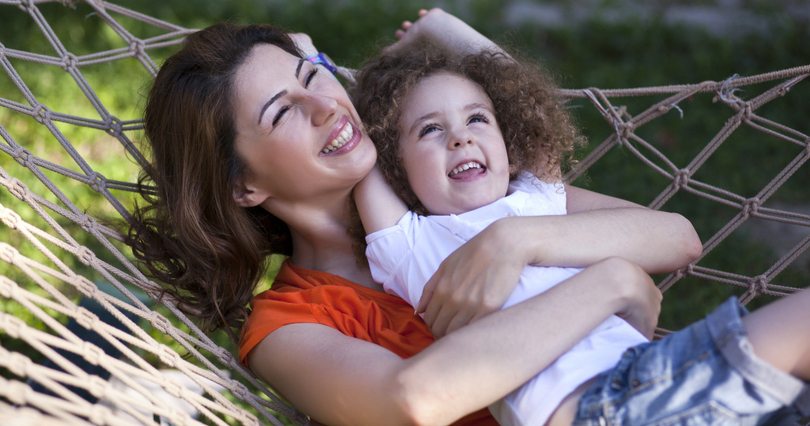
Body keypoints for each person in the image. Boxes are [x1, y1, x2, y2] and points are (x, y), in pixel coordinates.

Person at [126, 8, 719, 425]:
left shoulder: (446, 188)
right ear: (243, 184)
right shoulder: (287, 325)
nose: (325, 106)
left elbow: (675, 237)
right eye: (282, 113)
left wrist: (515, 239)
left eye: (314, 78)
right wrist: (615, 282)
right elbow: (415, 399)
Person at [350, 42, 810, 425]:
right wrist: (320, 67)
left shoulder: (538, 198)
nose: (460, 137)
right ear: (395, 167)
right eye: (430, 129)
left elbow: (519, 92)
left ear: (509, 136)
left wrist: (435, 24)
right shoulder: (410, 244)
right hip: (599, 407)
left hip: (652, 374)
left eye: (477, 119)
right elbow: (357, 147)